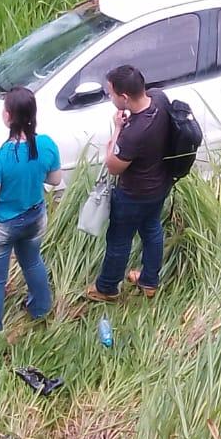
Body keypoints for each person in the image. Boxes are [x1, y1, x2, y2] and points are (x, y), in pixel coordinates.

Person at [0, 86, 62, 341]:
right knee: (32, 261)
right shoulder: (46, 145)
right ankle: (41, 308)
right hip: (35, 217)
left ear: (8, 116)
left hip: (1, 225)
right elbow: (55, 179)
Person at [86, 65, 172, 302]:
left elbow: (113, 165)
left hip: (133, 194)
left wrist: (117, 129)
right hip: (159, 186)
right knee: (152, 229)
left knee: (119, 240)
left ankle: (107, 288)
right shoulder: (159, 100)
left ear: (124, 97)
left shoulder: (134, 133)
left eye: (111, 93)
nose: (110, 97)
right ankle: (149, 281)